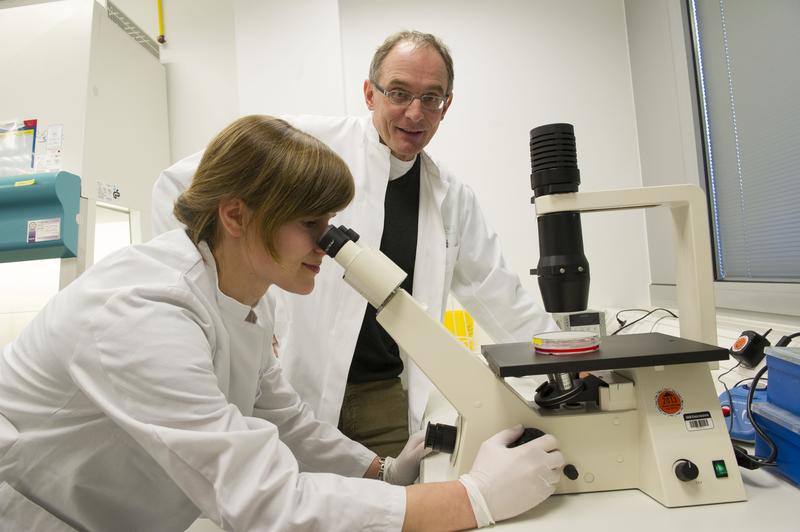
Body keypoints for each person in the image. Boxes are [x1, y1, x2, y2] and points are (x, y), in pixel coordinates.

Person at [0, 115, 564, 531]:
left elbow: (282, 416)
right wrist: (475, 498)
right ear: (237, 214)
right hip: (39, 510)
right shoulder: (140, 313)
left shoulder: (244, 291)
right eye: (311, 222)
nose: (327, 242)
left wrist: (383, 470)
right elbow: (266, 501)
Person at [152, 30, 557, 457]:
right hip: (289, 384)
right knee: (286, 511)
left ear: (446, 105)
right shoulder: (308, 148)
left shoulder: (451, 198)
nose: (415, 113)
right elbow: (176, 186)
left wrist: (566, 361)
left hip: (383, 397)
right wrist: (224, 310)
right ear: (370, 93)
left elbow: (499, 294)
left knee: (389, 508)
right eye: (399, 93)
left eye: (431, 99)